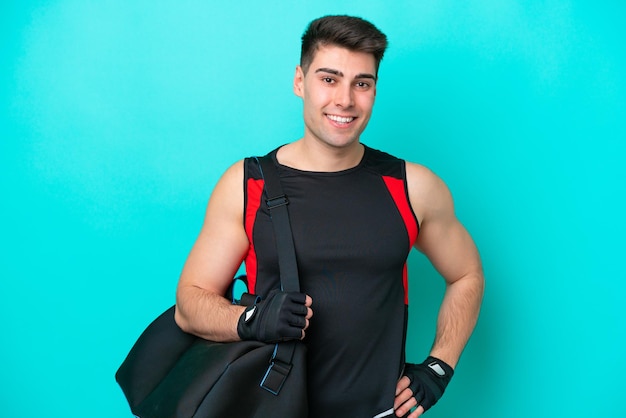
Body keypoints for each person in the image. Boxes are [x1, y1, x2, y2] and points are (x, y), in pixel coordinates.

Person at [174, 15, 484, 418]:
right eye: (329, 79)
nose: (345, 100)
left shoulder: (412, 186)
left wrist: (439, 366)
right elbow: (189, 305)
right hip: (267, 410)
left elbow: (467, 275)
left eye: (362, 83)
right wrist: (251, 318)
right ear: (300, 82)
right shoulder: (247, 184)